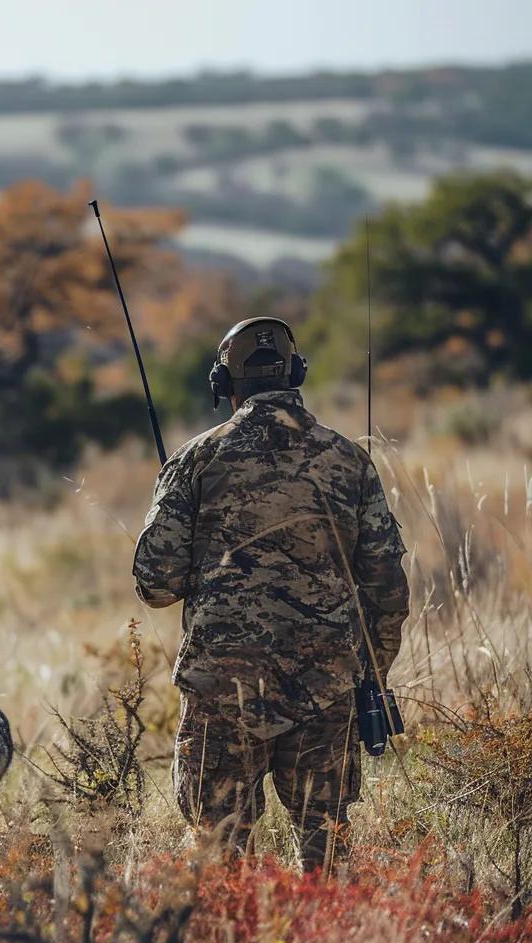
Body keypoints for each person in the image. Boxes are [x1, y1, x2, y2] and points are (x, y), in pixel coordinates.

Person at [132, 317, 409, 873]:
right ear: (295, 374)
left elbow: (155, 585)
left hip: (222, 688)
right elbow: (385, 586)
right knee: (326, 849)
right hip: (326, 684)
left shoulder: (195, 460)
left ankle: (234, 930)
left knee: (219, 852)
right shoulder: (349, 461)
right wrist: (368, 673)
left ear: (223, 384)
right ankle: (334, 927)